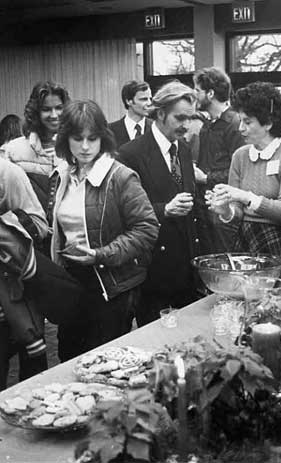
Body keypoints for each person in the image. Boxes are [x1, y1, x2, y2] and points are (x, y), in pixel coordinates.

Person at [50, 99, 159, 361]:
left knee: (105, 363)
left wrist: (101, 254)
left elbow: (147, 228)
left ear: (103, 138)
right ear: (66, 139)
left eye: (93, 138)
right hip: (73, 280)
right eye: (77, 138)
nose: (85, 146)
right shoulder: (63, 173)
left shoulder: (120, 176)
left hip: (111, 284)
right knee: (70, 358)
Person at [206, 82, 281, 293]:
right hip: (248, 241)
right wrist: (225, 210)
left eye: (247, 122)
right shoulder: (240, 156)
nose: (240, 128)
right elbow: (237, 212)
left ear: (268, 123)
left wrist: (245, 196)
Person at [118, 81, 200, 325]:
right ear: (160, 113)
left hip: (186, 272)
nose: (186, 125)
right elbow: (124, 215)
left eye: (190, 118)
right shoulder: (130, 153)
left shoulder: (183, 150)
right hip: (153, 275)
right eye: (180, 118)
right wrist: (165, 209)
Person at [0, 158, 49, 390]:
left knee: (32, 388)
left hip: (15, 298)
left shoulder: (7, 173)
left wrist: (6, 229)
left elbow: (39, 226)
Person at [193, 67, 245, 254]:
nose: (194, 95)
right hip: (206, 207)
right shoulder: (208, 125)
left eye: (197, 90)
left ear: (211, 93)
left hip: (225, 211)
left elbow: (240, 171)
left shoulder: (234, 124)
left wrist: (206, 178)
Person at [0, 81, 70, 213]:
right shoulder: (12, 151)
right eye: (46, 109)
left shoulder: (77, 149)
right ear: (35, 112)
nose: (54, 115)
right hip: (29, 230)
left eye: (59, 108)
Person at [108, 80, 152, 148]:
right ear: (128, 101)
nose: (149, 103)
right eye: (144, 99)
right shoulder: (110, 131)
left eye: (150, 99)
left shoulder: (156, 128)